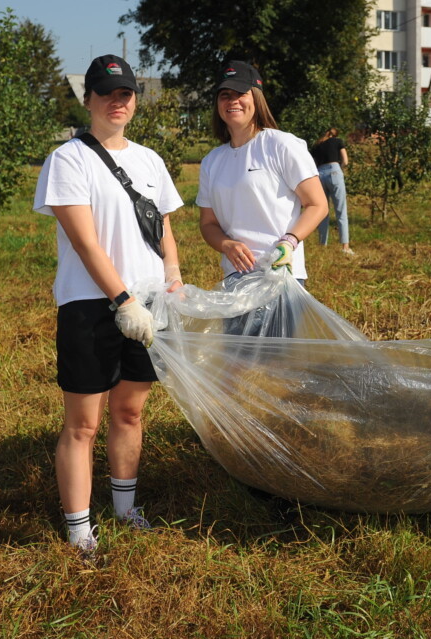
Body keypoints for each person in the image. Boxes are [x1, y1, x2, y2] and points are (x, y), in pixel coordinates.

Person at [33, 54, 185, 560]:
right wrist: (121, 300)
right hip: (91, 306)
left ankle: (125, 509)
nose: (117, 102)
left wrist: (173, 282)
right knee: (84, 423)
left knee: (130, 411)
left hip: (147, 303)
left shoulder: (150, 160)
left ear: (135, 99)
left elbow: (163, 228)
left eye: (125, 93)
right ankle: (79, 528)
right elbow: (85, 241)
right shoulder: (68, 159)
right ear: (88, 100)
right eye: (106, 93)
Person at [197, 60, 328, 286]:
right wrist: (226, 245)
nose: (232, 101)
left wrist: (289, 241)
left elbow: (317, 205)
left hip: (281, 272)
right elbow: (208, 223)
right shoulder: (212, 161)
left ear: (256, 98)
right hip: (236, 276)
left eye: (241, 93)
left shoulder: (281, 145)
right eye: (225, 95)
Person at [311, 127, 353, 256]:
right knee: (341, 210)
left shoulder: (317, 145)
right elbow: (345, 161)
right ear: (335, 135)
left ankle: (323, 244)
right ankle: (345, 247)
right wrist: (339, 170)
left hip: (319, 174)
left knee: (323, 211)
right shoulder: (338, 141)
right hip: (334, 171)